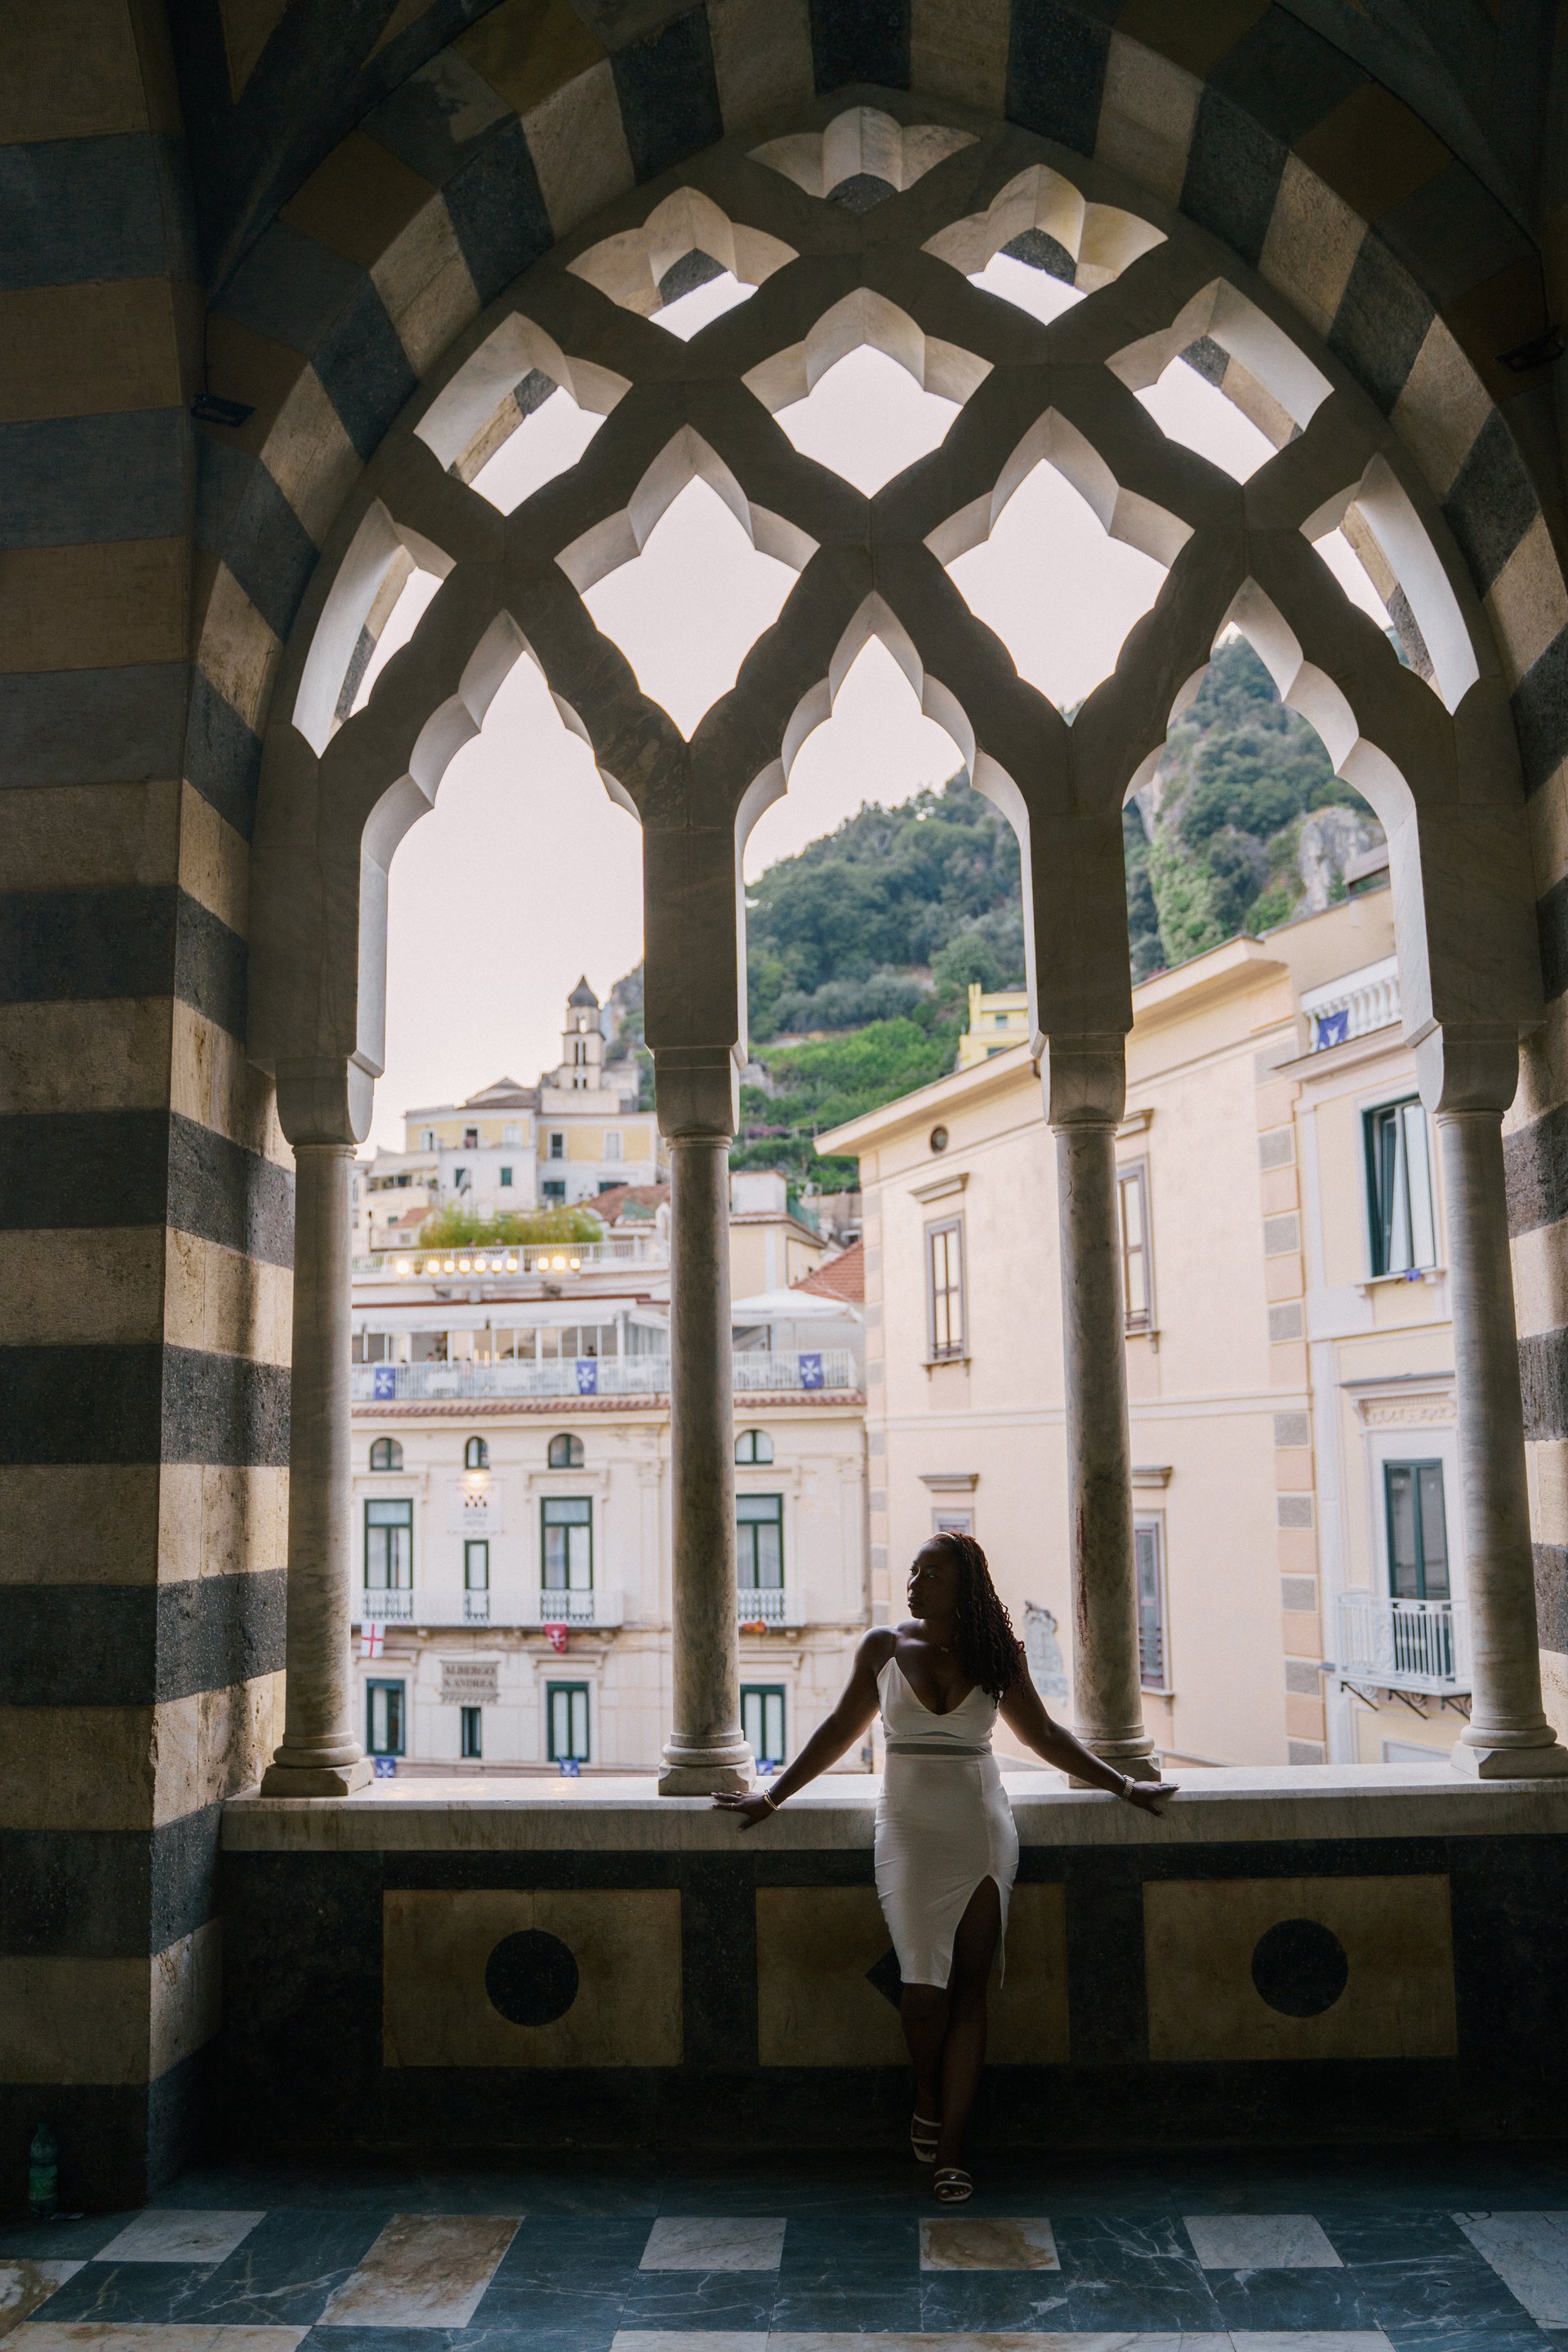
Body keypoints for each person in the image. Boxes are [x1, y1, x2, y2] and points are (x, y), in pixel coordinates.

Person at [716, 1530, 1178, 2202]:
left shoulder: (996, 1652)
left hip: (979, 1829)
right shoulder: (883, 1646)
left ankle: (953, 2147)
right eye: (913, 1571)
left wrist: (1126, 1787)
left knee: (968, 1988)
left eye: (931, 1573)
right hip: (906, 1829)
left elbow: (1044, 1736)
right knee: (920, 1988)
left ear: (964, 1583)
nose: (915, 1582)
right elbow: (839, 1729)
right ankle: (927, 2093)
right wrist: (773, 1796)